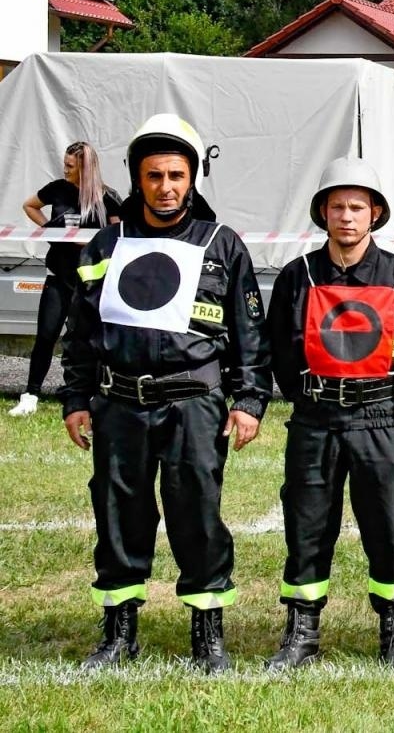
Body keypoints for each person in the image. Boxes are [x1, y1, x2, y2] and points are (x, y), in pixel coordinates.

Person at [61, 114, 270, 671]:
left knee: (197, 514)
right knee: (118, 514)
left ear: (193, 177)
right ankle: (118, 635)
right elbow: (80, 333)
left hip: (193, 406)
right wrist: (77, 398)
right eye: (154, 176)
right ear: (137, 178)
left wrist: (249, 401)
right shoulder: (106, 244)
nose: (166, 186)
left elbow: (250, 334)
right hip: (118, 405)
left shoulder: (222, 245)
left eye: (177, 175)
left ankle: (208, 637)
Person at [264, 158, 394, 670]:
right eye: (336, 206)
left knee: (387, 523)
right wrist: (311, 394)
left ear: (376, 213)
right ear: (322, 213)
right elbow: (280, 349)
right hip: (315, 418)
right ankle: (302, 631)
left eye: (357, 206)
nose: (346, 216)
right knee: (308, 522)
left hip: (380, 417)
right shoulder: (299, 275)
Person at [13, 141, 120, 417]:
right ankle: (30, 395)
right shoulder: (57, 189)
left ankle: (91, 394)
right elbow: (29, 205)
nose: (65, 169)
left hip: (91, 283)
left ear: (85, 168)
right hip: (58, 278)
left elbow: (119, 233)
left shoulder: (106, 197)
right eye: (65, 164)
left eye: (70, 166)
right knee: (46, 336)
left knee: (88, 341)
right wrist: (50, 230)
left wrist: (97, 246)